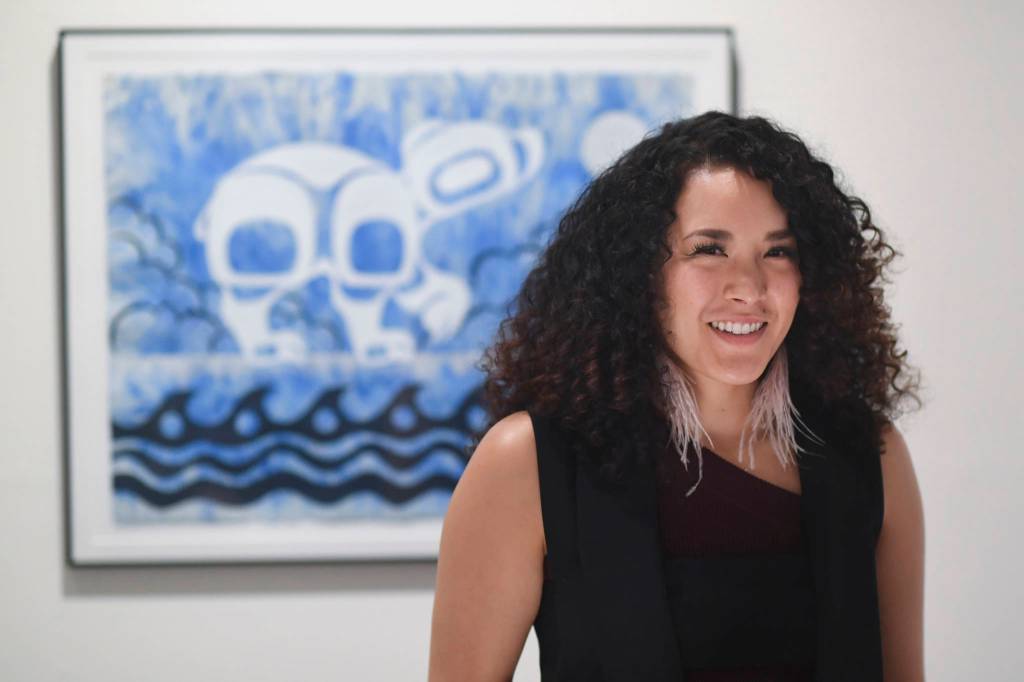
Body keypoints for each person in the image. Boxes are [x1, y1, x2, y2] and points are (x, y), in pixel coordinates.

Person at [428, 111, 925, 681]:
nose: (749, 287)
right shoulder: (530, 462)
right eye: (709, 249)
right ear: (640, 273)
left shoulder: (871, 455)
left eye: (778, 251)